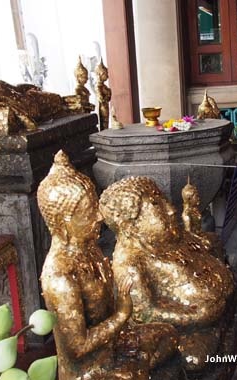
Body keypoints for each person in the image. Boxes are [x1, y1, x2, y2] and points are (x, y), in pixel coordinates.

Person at [37, 152, 178, 379]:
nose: (100, 216)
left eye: (96, 206)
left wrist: (122, 313)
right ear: (64, 225)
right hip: (88, 368)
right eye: (89, 212)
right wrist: (121, 315)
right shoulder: (60, 276)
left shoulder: (88, 247)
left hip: (114, 344)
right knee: (135, 374)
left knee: (168, 335)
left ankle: (137, 365)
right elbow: (77, 348)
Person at [99, 176, 235, 373]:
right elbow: (145, 312)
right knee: (195, 357)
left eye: (164, 200)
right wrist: (196, 315)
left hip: (215, 300)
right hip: (196, 318)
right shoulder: (130, 263)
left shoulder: (170, 236)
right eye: (157, 206)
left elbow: (200, 242)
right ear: (130, 225)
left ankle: (217, 329)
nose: (171, 210)